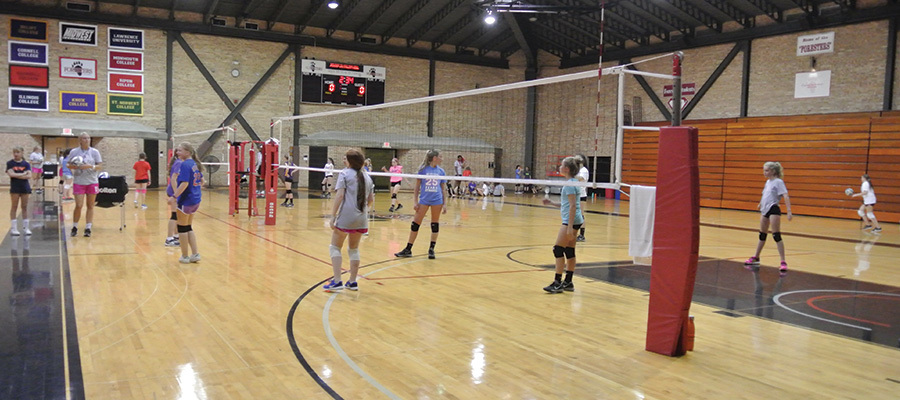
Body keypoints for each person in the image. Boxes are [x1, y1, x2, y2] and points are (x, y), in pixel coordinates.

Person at [323, 149, 375, 291]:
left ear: (351, 161)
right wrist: (362, 210)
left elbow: (339, 196)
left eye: (345, 158)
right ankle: (352, 282)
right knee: (353, 249)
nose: (343, 160)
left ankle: (337, 281)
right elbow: (370, 200)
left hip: (347, 215)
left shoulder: (344, 174)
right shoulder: (368, 177)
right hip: (362, 217)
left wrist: (333, 216)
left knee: (335, 247)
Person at [541, 156, 584, 293]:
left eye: (561, 165)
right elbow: (568, 204)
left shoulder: (570, 184)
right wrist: (552, 203)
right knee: (569, 251)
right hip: (576, 219)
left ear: (566, 169)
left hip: (571, 220)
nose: (559, 167)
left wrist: (569, 227)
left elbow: (572, 207)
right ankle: (568, 282)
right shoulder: (573, 182)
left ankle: (557, 282)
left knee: (558, 249)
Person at [395, 149, 447, 259]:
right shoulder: (423, 170)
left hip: (437, 200)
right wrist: (415, 201)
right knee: (415, 224)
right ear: (435, 158)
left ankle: (431, 249)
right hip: (424, 200)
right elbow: (417, 187)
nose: (442, 159)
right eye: (440, 157)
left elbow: (443, 189)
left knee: (434, 224)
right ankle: (408, 249)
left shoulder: (441, 171)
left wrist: (445, 203)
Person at [744, 161, 792, 273]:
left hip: (773, 209)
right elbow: (765, 194)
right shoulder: (768, 182)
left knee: (776, 235)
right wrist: (761, 203)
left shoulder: (778, 182)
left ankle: (783, 261)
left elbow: (785, 195)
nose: (764, 172)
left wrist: (789, 211)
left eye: (766, 170)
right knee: (762, 235)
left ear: (773, 171)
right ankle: (756, 257)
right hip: (764, 210)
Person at [172, 142, 203, 263]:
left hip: (186, 200)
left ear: (187, 152)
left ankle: (185, 256)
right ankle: (195, 254)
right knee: (188, 227)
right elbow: (201, 180)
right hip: (195, 199)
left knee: (182, 228)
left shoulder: (185, 165)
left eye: (180, 150)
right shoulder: (193, 164)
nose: (177, 152)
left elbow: (184, 183)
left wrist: (174, 196)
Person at [68, 132, 103, 237]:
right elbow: (68, 164)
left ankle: (88, 227)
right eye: (84, 138)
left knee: (90, 205)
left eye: (88, 138)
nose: (87, 140)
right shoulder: (74, 151)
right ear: (80, 140)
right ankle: (74, 226)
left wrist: (90, 166)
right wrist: (76, 166)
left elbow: (100, 166)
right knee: (79, 205)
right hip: (79, 181)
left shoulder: (95, 152)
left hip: (92, 181)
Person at [7, 146, 33, 236]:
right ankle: (13, 228)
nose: (15, 154)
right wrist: (23, 173)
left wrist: (17, 175)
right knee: (14, 206)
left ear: (22, 153)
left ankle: (26, 228)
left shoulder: (26, 164)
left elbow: (29, 176)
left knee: (24, 207)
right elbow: (11, 174)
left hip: (25, 187)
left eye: (17, 152)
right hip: (15, 188)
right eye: (14, 152)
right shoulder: (10, 163)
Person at [164, 155, 182, 247]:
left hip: (174, 191)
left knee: (177, 216)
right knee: (174, 215)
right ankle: (169, 238)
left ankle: (176, 236)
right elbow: (173, 179)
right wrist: (176, 195)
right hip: (173, 192)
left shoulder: (178, 162)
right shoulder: (179, 163)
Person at [575, 155, 590, 242]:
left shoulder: (584, 170)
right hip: (574, 194)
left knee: (581, 214)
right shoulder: (577, 170)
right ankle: (574, 233)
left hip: (581, 195)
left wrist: (571, 175)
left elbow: (581, 179)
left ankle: (582, 235)